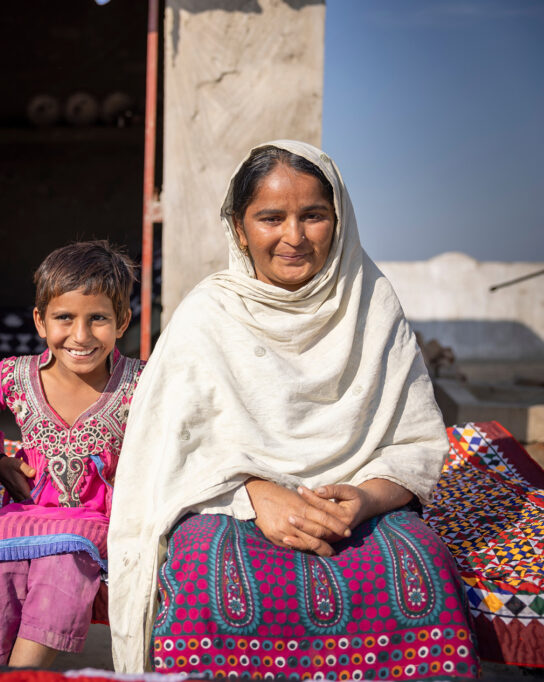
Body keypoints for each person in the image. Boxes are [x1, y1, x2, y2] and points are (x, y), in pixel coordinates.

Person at [108, 141, 479, 678]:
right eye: (270, 218)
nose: (294, 237)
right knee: (203, 582)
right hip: (228, 506)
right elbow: (167, 456)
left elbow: (415, 443)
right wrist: (256, 494)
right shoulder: (208, 316)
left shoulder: (371, 302)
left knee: (420, 570)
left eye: (313, 216)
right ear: (239, 228)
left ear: (339, 219)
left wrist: (366, 499)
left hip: (356, 508)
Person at [0, 241, 144, 667]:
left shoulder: (140, 384)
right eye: (65, 318)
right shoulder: (14, 376)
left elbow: (176, 434)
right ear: (41, 321)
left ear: (123, 322)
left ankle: (20, 673)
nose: (80, 336)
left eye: (98, 318)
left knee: (63, 560)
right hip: (21, 518)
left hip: (94, 525)